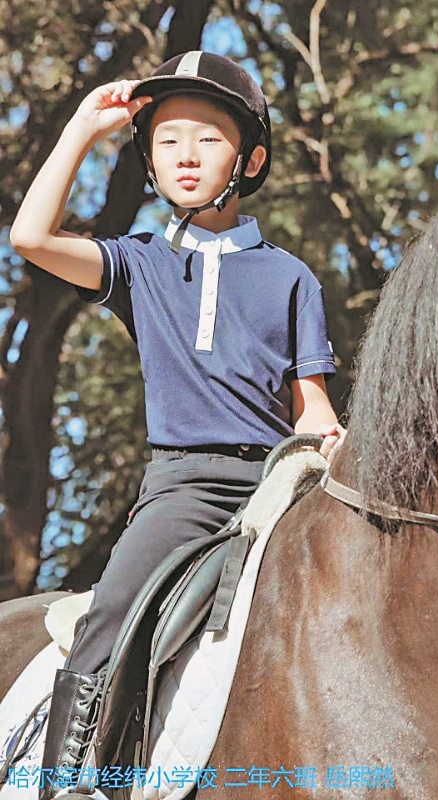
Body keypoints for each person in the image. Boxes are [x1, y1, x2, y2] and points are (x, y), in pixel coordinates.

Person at [10, 51, 344, 797]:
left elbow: (311, 406)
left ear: (250, 160)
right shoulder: (137, 264)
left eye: (207, 137)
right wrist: (80, 130)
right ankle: (69, 782)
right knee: (113, 607)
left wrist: (334, 445)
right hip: (184, 488)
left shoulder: (291, 277)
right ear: (149, 162)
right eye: (166, 140)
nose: (185, 154)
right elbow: (30, 238)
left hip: (279, 483)